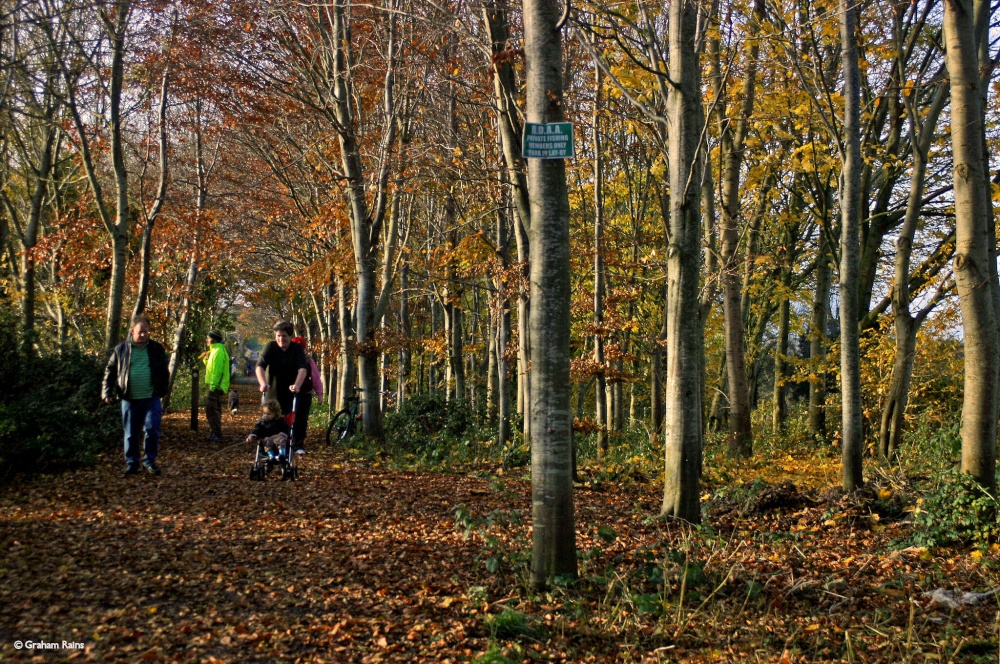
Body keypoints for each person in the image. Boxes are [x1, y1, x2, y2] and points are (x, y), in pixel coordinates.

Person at [102, 314, 169, 476]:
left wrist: (162, 390)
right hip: (129, 398)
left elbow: (164, 371)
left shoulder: (156, 349)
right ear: (132, 331)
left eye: (146, 332)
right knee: (131, 433)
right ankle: (132, 463)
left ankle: (150, 461)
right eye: (140, 332)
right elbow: (110, 371)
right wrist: (106, 391)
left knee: (152, 429)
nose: (143, 335)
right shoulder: (121, 350)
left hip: (151, 397)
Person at [255, 321, 307, 430]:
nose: (281, 339)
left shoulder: (296, 349)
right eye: (278, 336)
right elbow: (260, 366)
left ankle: (294, 444)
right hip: (272, 392)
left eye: (284, 336)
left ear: (290, 336)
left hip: (291, 392)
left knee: (291, 423)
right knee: (270, 422)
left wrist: (297, 385)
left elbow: (302, 369)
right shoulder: (270, 346)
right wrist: (263, 383)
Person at [290, 336, 324, 452]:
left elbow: (316, 378)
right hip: (289, 394)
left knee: (301, 419)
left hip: (305, 393)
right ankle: (286, 441)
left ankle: (298, 444)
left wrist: (319, 394)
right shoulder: (288, 357)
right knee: (288, 418)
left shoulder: (308, 361)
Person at [203, 330, 231, 442]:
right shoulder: (215, 350)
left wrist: (213, 387)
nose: (206, 340)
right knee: (214, 409)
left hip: (217, 386)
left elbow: (217, 372)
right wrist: (205, 360)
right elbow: (211, 368)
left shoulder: (218, 351)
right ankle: (215, 433)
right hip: (216, 385)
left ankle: (217, 434)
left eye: (208, 338)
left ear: (213, 339)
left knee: (211, 410)